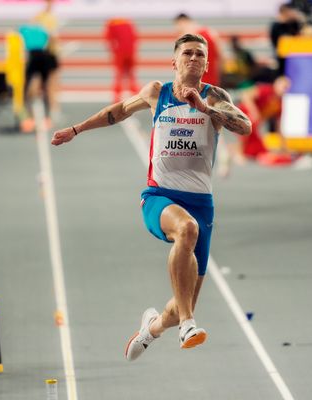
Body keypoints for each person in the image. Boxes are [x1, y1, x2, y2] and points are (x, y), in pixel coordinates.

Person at [51, 34, 251, 360]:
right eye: (187, 53)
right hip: (160, 195)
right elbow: (117, 112)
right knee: (185, 230)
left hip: (201, 202)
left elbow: (245, 127)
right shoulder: (158, 93)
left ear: (207, 63)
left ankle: (153, 328)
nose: (194, 58)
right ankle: (188, 324)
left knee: (181, 300)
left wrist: (203, 108)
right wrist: (76, 129)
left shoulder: (214, 97)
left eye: (200, 54)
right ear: (174, 61)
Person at [18, 23, 54, 132]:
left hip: (34, 57)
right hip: (43, 56)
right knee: (45, 87)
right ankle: (43, 118)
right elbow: (50, 39)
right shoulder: (42, 29)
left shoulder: (24, 29)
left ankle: (30, 118)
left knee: (27, 88)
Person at [174, 13, 223, 86]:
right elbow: (221, 56)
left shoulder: (187, 35)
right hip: (212, 75)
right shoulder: (211, 32)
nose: (177, 29)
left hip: (197, 77)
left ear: (182, 22)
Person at [33, 0, 62, 121]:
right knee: (51, 84)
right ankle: (54, 111)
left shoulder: (39, 17)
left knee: (39, 81)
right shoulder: (47, 18)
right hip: (48, 54)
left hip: (42, 53)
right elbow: (50, 36)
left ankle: (35, 110)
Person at [104, 18, 139, 103]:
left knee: (120, 76)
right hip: (129, 51)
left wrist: (113, 51)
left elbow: (108, 39)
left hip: (120, 52)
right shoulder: (127, 22)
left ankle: (117, 98)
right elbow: (134, 37)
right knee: (130, 76)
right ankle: (136, 96)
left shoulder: (112, 23)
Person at [269, 3, 303, 76]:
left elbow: (299, 36)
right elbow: (280, 42)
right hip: (282, 58)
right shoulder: (276, 26)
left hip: (293, 57)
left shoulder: (293, 24)